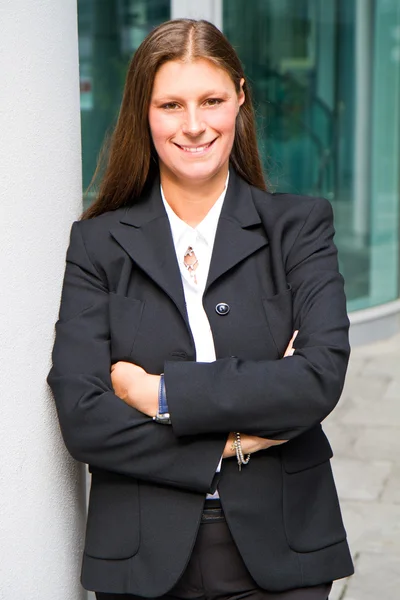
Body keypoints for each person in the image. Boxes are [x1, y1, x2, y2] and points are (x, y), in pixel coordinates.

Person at [47, 18, 354, 600]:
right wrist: (232, 444)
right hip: (140, 557)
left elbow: (317, 379)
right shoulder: (98, 245)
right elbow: (83, 415)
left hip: (285, 549)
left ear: (240, 98)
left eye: (211, 100)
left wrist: (159, 397)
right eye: (171, 104)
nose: (194, 125)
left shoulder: (300, 228)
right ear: (145, 111)